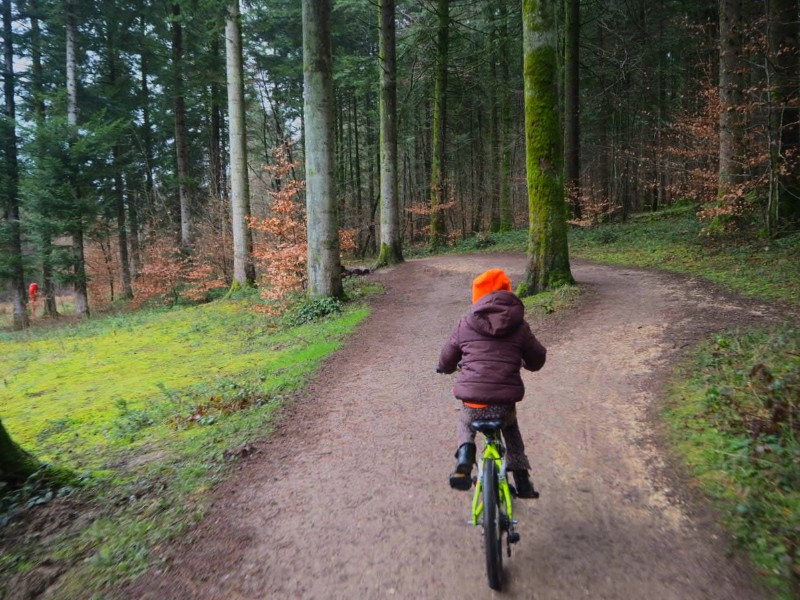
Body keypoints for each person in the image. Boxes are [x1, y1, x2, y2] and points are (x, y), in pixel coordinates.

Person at [437, 268, 546, 498]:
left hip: (474, 404)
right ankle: (522, 479)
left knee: (465, 421)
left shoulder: (465, 323)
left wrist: (445, 368)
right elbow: (537, 358)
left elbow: (447, 358)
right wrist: (529, 363)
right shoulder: (519, 325)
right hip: (504, 405)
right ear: (508, 293)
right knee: (511, 429)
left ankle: (465, 455)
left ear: (477, 296)